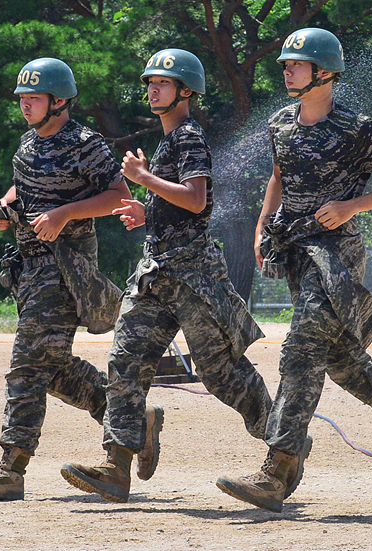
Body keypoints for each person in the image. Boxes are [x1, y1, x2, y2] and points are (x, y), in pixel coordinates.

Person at [215, 28, 372, 513]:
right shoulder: (280, 124)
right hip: (297, 255)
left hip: (337, 260)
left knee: (300, 352)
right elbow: (279, 178)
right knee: (346, 364)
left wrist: (352, 206)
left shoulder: (355, 127)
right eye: (284, 64)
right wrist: (262, 227)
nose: (285, 70)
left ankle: (277, 470)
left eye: (295, 64)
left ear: (323, 71)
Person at [59, 49, 273, 503]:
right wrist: (147, 212)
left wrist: (142, 179)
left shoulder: (189, 137)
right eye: (150, 82)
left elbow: (197, 200)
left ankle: (283, 443)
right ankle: (116, 465)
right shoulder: (169, 141)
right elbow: (180, 206)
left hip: (192, 276)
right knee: (125, 358)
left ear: (185, 91)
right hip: (158, 273)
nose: (153, 88)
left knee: (221, 373)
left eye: (162, 82)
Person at [0, 57, 162, 501]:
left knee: (27, 365)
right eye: (23, 98)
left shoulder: (85, 144)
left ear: (60, 101)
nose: (25, 105)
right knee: (52, 367)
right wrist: (5, 206)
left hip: (66, 270)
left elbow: (118, 198)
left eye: (34, 98)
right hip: (30, 270)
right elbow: (20, 186)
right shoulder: (28, 144)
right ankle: (131, 418)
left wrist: (64, 213)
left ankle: (11, 469)